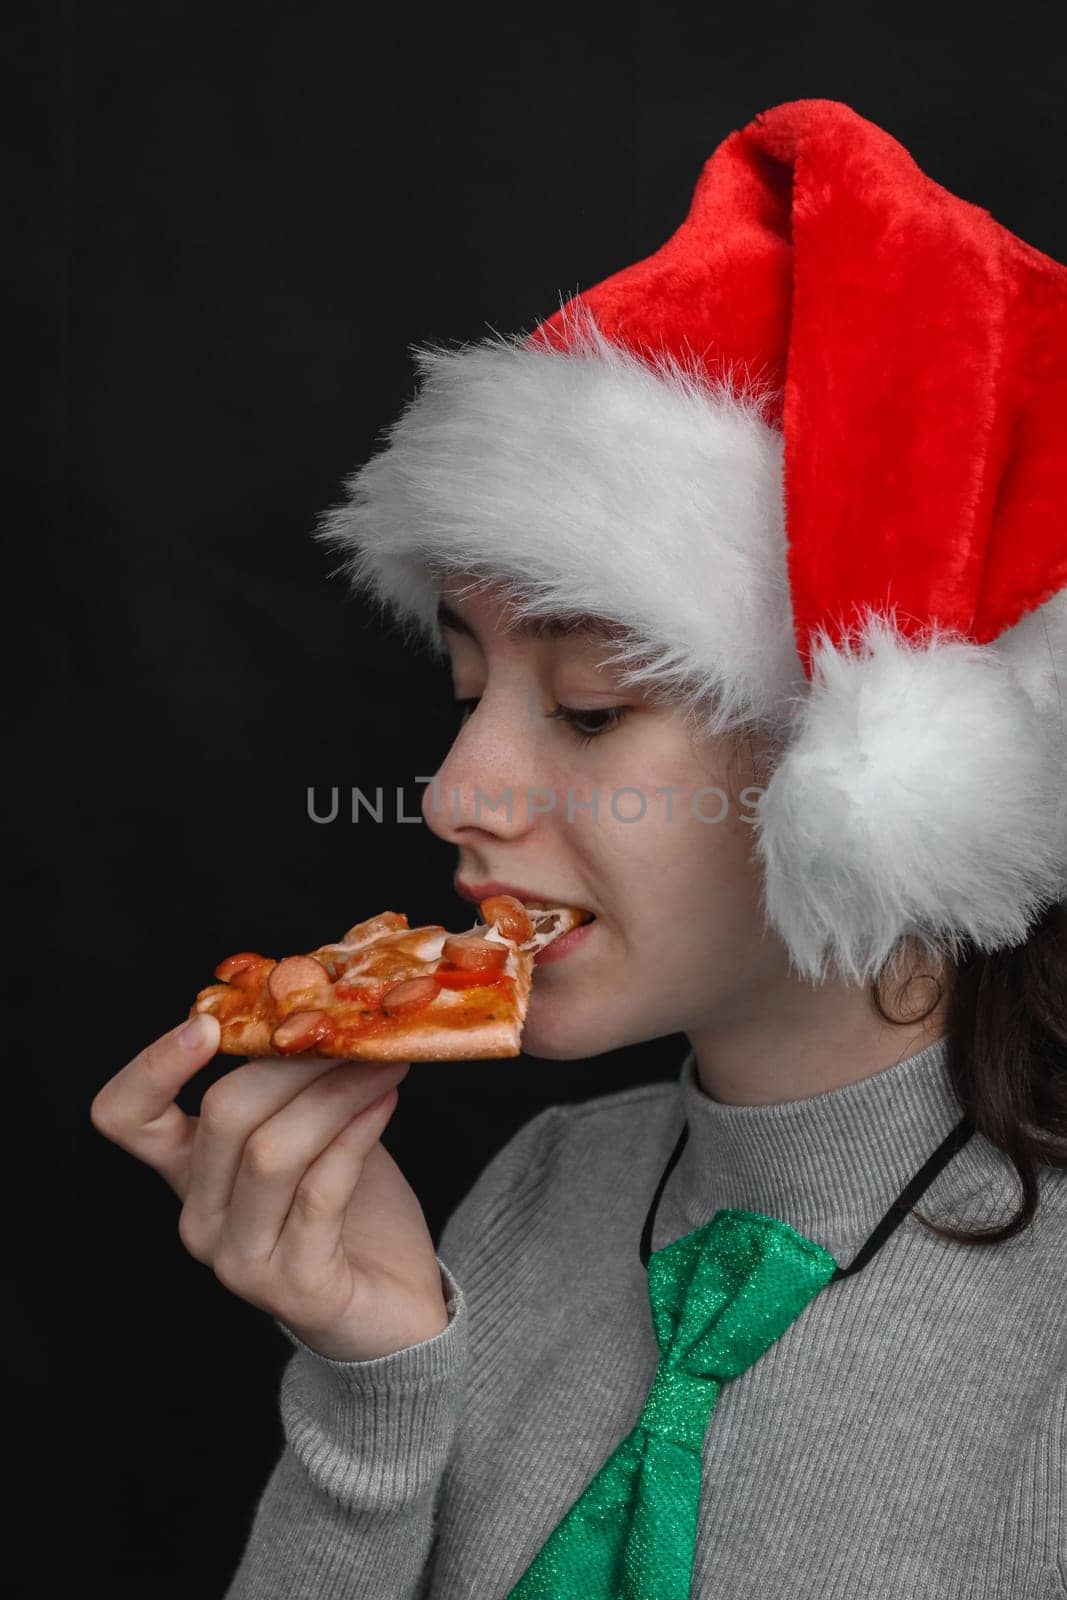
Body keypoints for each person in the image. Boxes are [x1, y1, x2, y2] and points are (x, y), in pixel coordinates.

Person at [90, 98, 1067, 1598]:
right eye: (470, 693)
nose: (454, 794)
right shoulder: (543, 1191)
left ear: (858, 760)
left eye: (593, 710)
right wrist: (377, 1389)